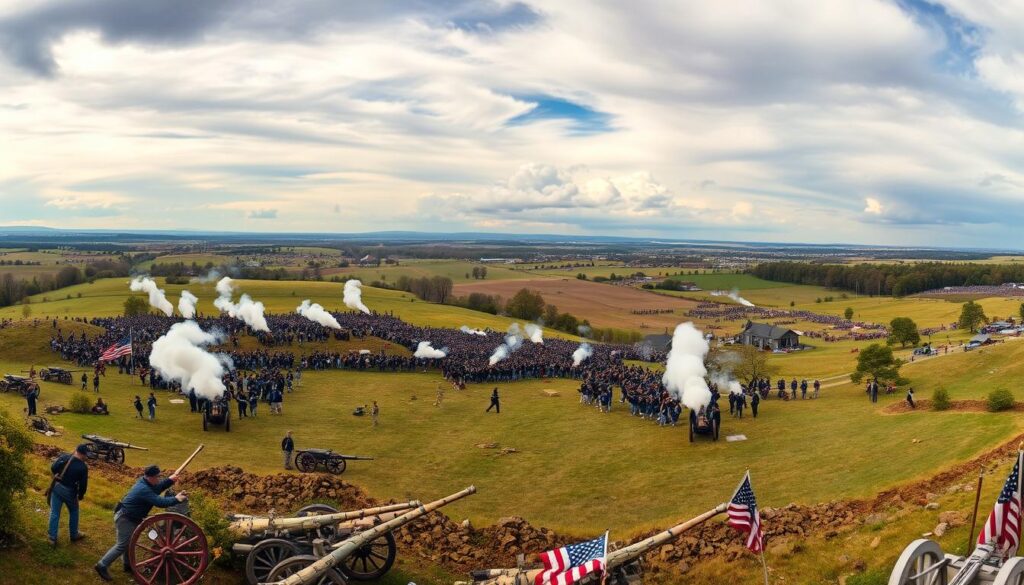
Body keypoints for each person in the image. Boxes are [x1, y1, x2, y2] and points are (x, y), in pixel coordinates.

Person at [94, 465, 187, 581]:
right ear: (151, 477)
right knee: (122, 545)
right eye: (157, 477)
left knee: (129, 542)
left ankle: (127, 565)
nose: (158, 479)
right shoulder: (143, 489)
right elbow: (160, 502)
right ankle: (102, 565)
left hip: (128, 516)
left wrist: (170, 480)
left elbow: (157, 488)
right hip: (125, 518)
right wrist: (176, 499)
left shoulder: (145, 482)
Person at [48, 443, 90, 547]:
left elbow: (53, 468)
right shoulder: (83, 467)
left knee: (54, 513)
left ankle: (52, 538)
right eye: (86, 455)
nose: (87, 457)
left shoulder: (65, 457)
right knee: (74, 511)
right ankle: (74, 534)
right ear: (82, 454)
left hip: (57, 488)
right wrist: (80, 496)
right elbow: (83, 485)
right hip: (70, 492)